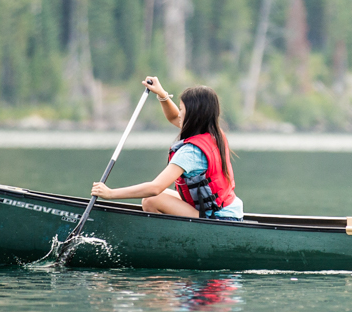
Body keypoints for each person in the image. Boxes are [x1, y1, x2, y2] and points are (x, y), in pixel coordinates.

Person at [90, 78, 247, 221]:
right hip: (227, 212)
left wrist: (110, 193)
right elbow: (173, 117)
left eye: (182, 110)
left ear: (193, 115)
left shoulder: (191, 152)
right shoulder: (213, 133)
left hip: (219, 218)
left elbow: (155, 188)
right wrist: (162, 94)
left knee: (151, 200)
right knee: (161, 196)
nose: (179, 114)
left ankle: (168, 243)